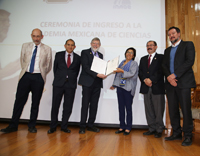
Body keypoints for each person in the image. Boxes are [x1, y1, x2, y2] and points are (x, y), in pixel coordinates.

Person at [0, 28, 52, 133]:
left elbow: (48, 65)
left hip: (38, 77)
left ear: (42, 37)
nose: (36, 38)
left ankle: (32, 126)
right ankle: (13, 126)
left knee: (35, 103)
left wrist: (41, 74)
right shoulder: (25, 46)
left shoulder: (47, 49)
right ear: (31, 36)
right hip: (25, 76)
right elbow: (22, 60)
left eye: (38, 36)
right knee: (19, 102)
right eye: (34, 36)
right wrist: (27, 71)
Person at [162, 26, 196, 146]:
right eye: (169, 35)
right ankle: (176, 133)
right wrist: (170, 78)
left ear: (179, 34)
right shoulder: (167, 51)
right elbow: (164, 66)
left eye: (173, 33)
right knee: (173, 110)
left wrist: (175, 75)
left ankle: (187, 135)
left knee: (186, 110)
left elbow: (189, 62)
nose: (171, 36)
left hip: (184, 83)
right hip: (171, 85)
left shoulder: (188, 45)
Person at [47, 39, 81, 134]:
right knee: (55, 106)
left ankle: (64, 126)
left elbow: (76, 71)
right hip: (58, 84)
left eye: (72, 45)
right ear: (65, 45)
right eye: (68, 44)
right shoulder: (58, 55)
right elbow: (55, 69)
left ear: (74, 47)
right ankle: (53, 126)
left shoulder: (78, 58)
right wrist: (60, 78)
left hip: (70, 85)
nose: (70, 46)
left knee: (68, 107)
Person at [78, 37, 107, 134]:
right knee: (85, 105)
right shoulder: (85, 52)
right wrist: (97, 74)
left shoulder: (101, 55)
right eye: (94, 43)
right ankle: (82, 126)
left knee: (94, 105)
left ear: (99, 45)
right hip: (87, 83)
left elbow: (101, 68)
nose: (95, 45)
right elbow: (85, 67)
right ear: (91, 44)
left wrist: (105, 72)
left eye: (97, 43)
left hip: (97, 83)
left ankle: (90, 125)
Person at [139, 41, 165, 138]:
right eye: (148, 45)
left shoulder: (161, 58)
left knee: (158, 110)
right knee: (148, 109)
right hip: (146, 87)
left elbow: (161, 71)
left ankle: (159, 129)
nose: (149, 47)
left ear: (156, 47)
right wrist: (145, 80)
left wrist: (151, 80)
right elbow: (140, 72)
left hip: (157, 87)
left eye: (151, 45)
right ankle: (151, 128)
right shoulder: (143, 59)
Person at [110, 47, 138, 135]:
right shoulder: (122, 62)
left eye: (131, 53)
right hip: (120, 88)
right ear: (125, 53)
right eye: (128, 52)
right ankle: (122, 126)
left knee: (128, 108)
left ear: (133, 55)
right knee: (121, 108)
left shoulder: (134, 63)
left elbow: (132, 74)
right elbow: (117, 75)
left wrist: (122, 70)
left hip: (128, 88)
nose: (129, 54)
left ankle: (128, 127)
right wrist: (114, 84)